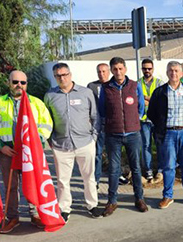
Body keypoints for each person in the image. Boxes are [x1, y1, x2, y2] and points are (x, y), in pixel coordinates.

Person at [0, 70, 53, 233]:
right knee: (11, 186)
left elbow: (46, 124)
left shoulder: (36, 103)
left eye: (22, 82)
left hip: (29, 152)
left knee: (32, 182)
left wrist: (35, 142)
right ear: (8, 83)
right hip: (6, 151)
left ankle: (35, 214)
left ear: (26, 84)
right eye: (15, 81)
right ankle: (13, 217)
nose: (19, 85)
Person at [44, 63, 102, 221]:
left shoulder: (86, 93)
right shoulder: (50, 96)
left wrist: (94, 137)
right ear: (55, 77)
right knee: (62, 180)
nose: (62, 78)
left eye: (65, 74)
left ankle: (92, 205)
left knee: (89, 176)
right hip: (61, 145)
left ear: (70, 74)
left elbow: (96, 117)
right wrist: (49, 139)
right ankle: (64, 208)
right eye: (58, 76)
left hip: (85, 142)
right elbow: (45, 120)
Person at [98, 57, 148, 216]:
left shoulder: (135, 85)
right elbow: (102, 110)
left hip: (133, 134)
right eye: (115, 69)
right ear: (111, 71)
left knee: (136, 168)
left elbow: (141, 107)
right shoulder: (105, 88)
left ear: (125, 69)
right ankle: (112, 201)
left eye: (120, 68)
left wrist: (134, 120)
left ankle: (139, 198)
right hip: (113, 135)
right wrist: (113, 122)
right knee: (114, 169)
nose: (118, 72)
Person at [148, 61, 183, 207]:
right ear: (167, 73)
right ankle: (167, 196)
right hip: (168, 134)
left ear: (181, 73)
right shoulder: (160, 92)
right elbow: (151, 113)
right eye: (171, 70)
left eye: (177, 70)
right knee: (169, 166)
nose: (174, 73)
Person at [139, 58, 164, 182]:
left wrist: (146, 98)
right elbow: (136, 101)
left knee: (160, 145)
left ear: (153, 69)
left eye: (149, 68)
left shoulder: (160, 82)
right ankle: (148, 171)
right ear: (141, 69)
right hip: (144, 120)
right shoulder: (137, 83)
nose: (147, 70)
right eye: (144, 68)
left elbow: (161, 100)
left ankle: (160, 170)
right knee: (146, 146)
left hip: (157, 119)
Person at [87, 63, 110, 187]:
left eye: (104, 71)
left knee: (114, 154)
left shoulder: (114, 84)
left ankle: (116, 177)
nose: (101, 74)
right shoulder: (92, 86)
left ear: (109, 72)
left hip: (112, 124)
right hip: (98, 125)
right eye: (99, 72)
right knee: (97, 154)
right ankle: (96, 179)